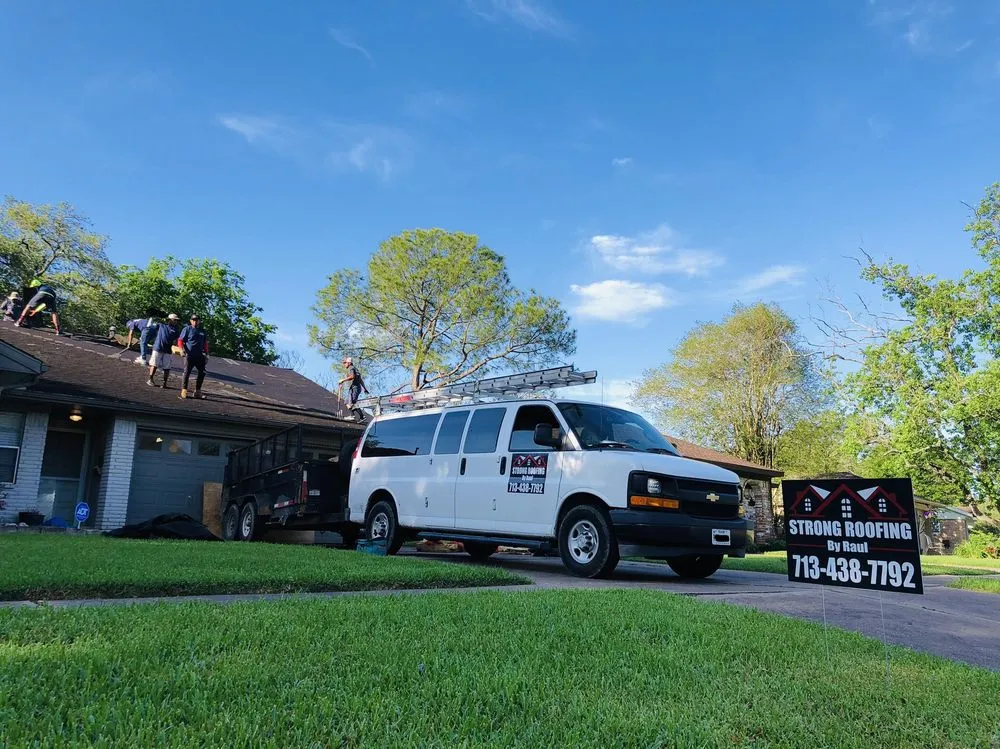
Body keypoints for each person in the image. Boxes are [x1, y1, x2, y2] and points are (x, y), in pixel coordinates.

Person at [177, 314, 209, 400]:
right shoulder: (187, 329)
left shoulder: (202, 331)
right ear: (191, 321)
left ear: (199, 321)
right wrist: (181, 349)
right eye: (193, 320)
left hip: (199, 356)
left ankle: (197, 391)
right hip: (189, 355)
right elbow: (180, 340)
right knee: (187, 372)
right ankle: (184, 390)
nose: (195, 321)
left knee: (202, 373)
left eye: (196, 320)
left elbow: (205, 343)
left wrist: (206, 354)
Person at [147, 314, 180, 388]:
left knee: (167, 367)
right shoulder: (161, 325)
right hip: (158, 348)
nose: (176, 321)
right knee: (154, 364)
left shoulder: (176, 330)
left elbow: (176, 340)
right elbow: (149, 325)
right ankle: (150, 379)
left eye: (176, 320)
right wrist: (154, 317)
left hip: (168, 350)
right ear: (170, 319)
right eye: (174, 320)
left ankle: (165, 382)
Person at [338, 356, 369, 421]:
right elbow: (360, 380)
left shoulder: (351, 368)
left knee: (352, 403)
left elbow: (352, 377)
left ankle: (356, 416)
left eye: (345, 363)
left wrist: (343, 380)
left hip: (355, 388)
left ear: (349, 363)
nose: (344, 364)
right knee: (347, 402)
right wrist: (365, 389)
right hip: (354, 388)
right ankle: (360, 417)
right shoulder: (355, 369)